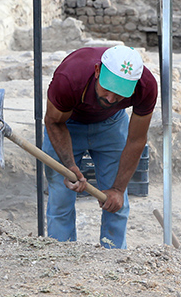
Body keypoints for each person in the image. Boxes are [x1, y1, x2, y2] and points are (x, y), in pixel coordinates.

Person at [42, 45, 157, 248]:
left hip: (111, 125)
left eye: (120, 94)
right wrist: (69, 165)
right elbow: (53, 121)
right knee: (61, 198)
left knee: (116, 203)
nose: (111, 99)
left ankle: (113, 260)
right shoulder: (70, 77)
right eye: (107, 88)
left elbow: (136, 139)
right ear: (97, 71)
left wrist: (118, 189)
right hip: (67, 125)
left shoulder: (146, 86)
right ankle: (62, 257)